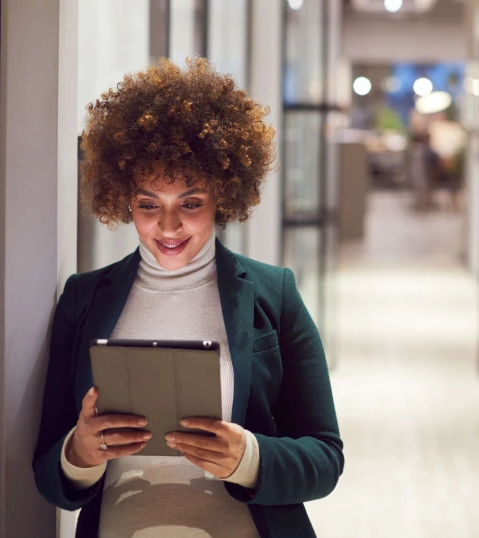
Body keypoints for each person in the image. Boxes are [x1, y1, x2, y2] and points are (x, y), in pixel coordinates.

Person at [32, 58, 344, 538]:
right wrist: (80, 453)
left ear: (223, 194)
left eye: (191, 204)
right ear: (125, 200)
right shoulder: (84, 298)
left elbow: (325, 458)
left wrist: (249, 458)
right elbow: (49, 476)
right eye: (148, 204)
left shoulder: (273, 294)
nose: (169, 227)